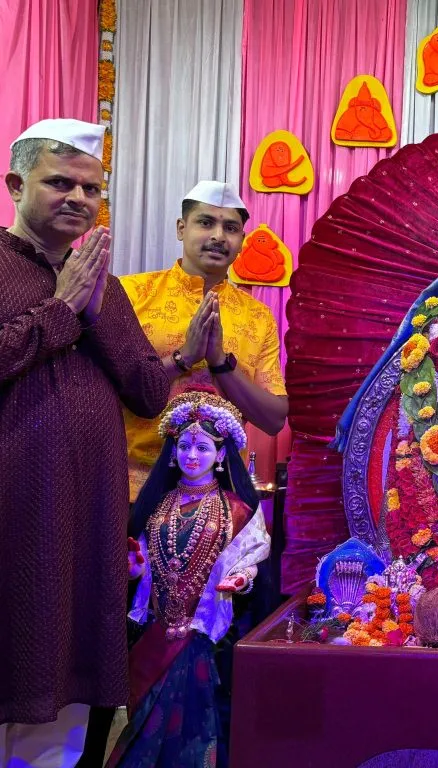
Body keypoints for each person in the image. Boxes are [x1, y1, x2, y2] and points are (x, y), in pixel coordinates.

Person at [0, 119, 170, 765]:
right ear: (17, 184)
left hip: (88, 520)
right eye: (59, 182)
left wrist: (94, 310)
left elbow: (150, 394)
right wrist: (60, 311)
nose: (77, 197)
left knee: (73, 691)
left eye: (91, 188)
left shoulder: (103, 284)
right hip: (16, 513)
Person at [106, 390, 270, 767]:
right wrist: (135, 571)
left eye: (203, 448)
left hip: (201, 639)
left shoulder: (238, 510)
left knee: (195, 731)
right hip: (153, 634)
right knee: (141, 731)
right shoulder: (156, 505)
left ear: (222, 455)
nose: (191, 456)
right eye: (184, 446)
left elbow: (251, 559)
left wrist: (240, 580)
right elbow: (145, 564)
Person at [120, 180, 288, 502]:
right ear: (181, 228)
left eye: (231, 228)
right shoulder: (130, 295)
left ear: (241, 240)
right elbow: (109, 392)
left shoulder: (258, 316)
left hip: (221, 500)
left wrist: (220, 364)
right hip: (131, 490)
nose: (218, 236)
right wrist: (183, 358)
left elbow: (273, 419)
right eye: (205, 222)